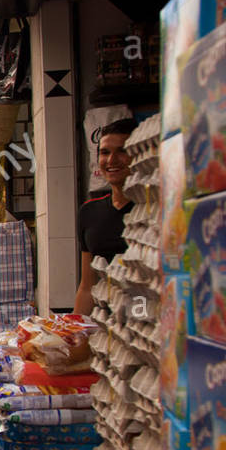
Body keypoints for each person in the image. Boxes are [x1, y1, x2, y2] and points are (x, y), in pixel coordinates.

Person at [74, 117, 136, 314]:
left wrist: (138, 320)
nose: (111, 160)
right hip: (106, 327)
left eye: (122, 151)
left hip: (148, 323)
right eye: (105, 153)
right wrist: (72, 335)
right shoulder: (89, 212)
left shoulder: (154, 211)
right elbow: (87, 286)